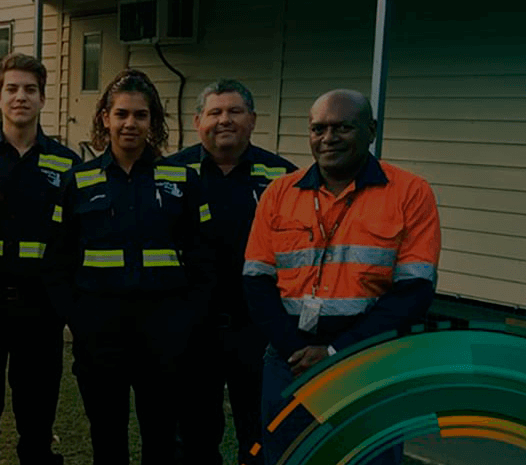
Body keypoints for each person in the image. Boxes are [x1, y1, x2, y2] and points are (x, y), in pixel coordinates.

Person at [244, 89, 441, 465]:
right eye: (318, 129)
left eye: (342, 128)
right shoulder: (279, 193)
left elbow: (414, 291)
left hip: (369, 359)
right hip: (289, 360)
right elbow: (256, 281)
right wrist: (295, 352)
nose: (328, 138)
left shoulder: (411, 193)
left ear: (371, 131)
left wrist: (337, 353)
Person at [43, 69, 214, 464]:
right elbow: (56, 263)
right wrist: (78, 319)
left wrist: (185, 320)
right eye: (121, 114)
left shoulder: (182, 180)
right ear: (105, 118)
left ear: (153, 120)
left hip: (164, 335)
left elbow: (204, 261)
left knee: (161, 438)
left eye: (140, 115)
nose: (130, 123)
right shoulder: (78, 181)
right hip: (100, 336)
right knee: (107, 437)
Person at [167, 79, 297, 465]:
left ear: (252, 119)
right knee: (194, 436)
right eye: (215, 112)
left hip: (258, 330)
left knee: (259, 436)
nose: (225, 120)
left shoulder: (283, 179)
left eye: (235, 111)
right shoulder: (168, 174)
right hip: (192, 332)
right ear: (197, 121)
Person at [0, 53, 78, 465]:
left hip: (41, 311)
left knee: (37, 424)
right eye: (12, 89)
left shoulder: (67, 165)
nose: (20, 97)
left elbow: (74, 242)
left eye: (30, 89)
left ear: (43, 98)